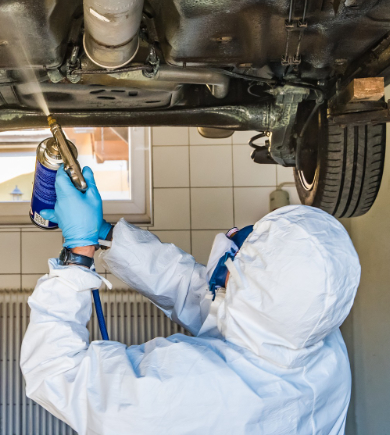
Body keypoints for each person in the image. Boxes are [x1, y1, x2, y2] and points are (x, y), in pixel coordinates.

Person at [21, 165, 360, 435]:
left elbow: (55, 371)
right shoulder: (315, 343)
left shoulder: (191, 394)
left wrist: (78, 256)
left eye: (245, 248)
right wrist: (104, 235)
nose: (231, 236)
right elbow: (202, 294)